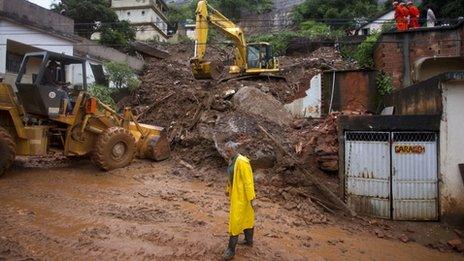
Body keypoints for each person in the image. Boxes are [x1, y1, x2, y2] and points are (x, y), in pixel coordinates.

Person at [222, 141, 255, 260]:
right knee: (247, 217)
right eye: (226, 151)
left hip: (243, 197)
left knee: (235, 222)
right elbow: (231, 177)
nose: (227, 153)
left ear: (235, 150)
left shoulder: (242, 162)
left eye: (229, 151)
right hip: (237, 194)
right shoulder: (232, 160)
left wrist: (252, 199)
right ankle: (248, 240)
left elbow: (248, 182)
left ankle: (231, 250)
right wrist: (227, 189)